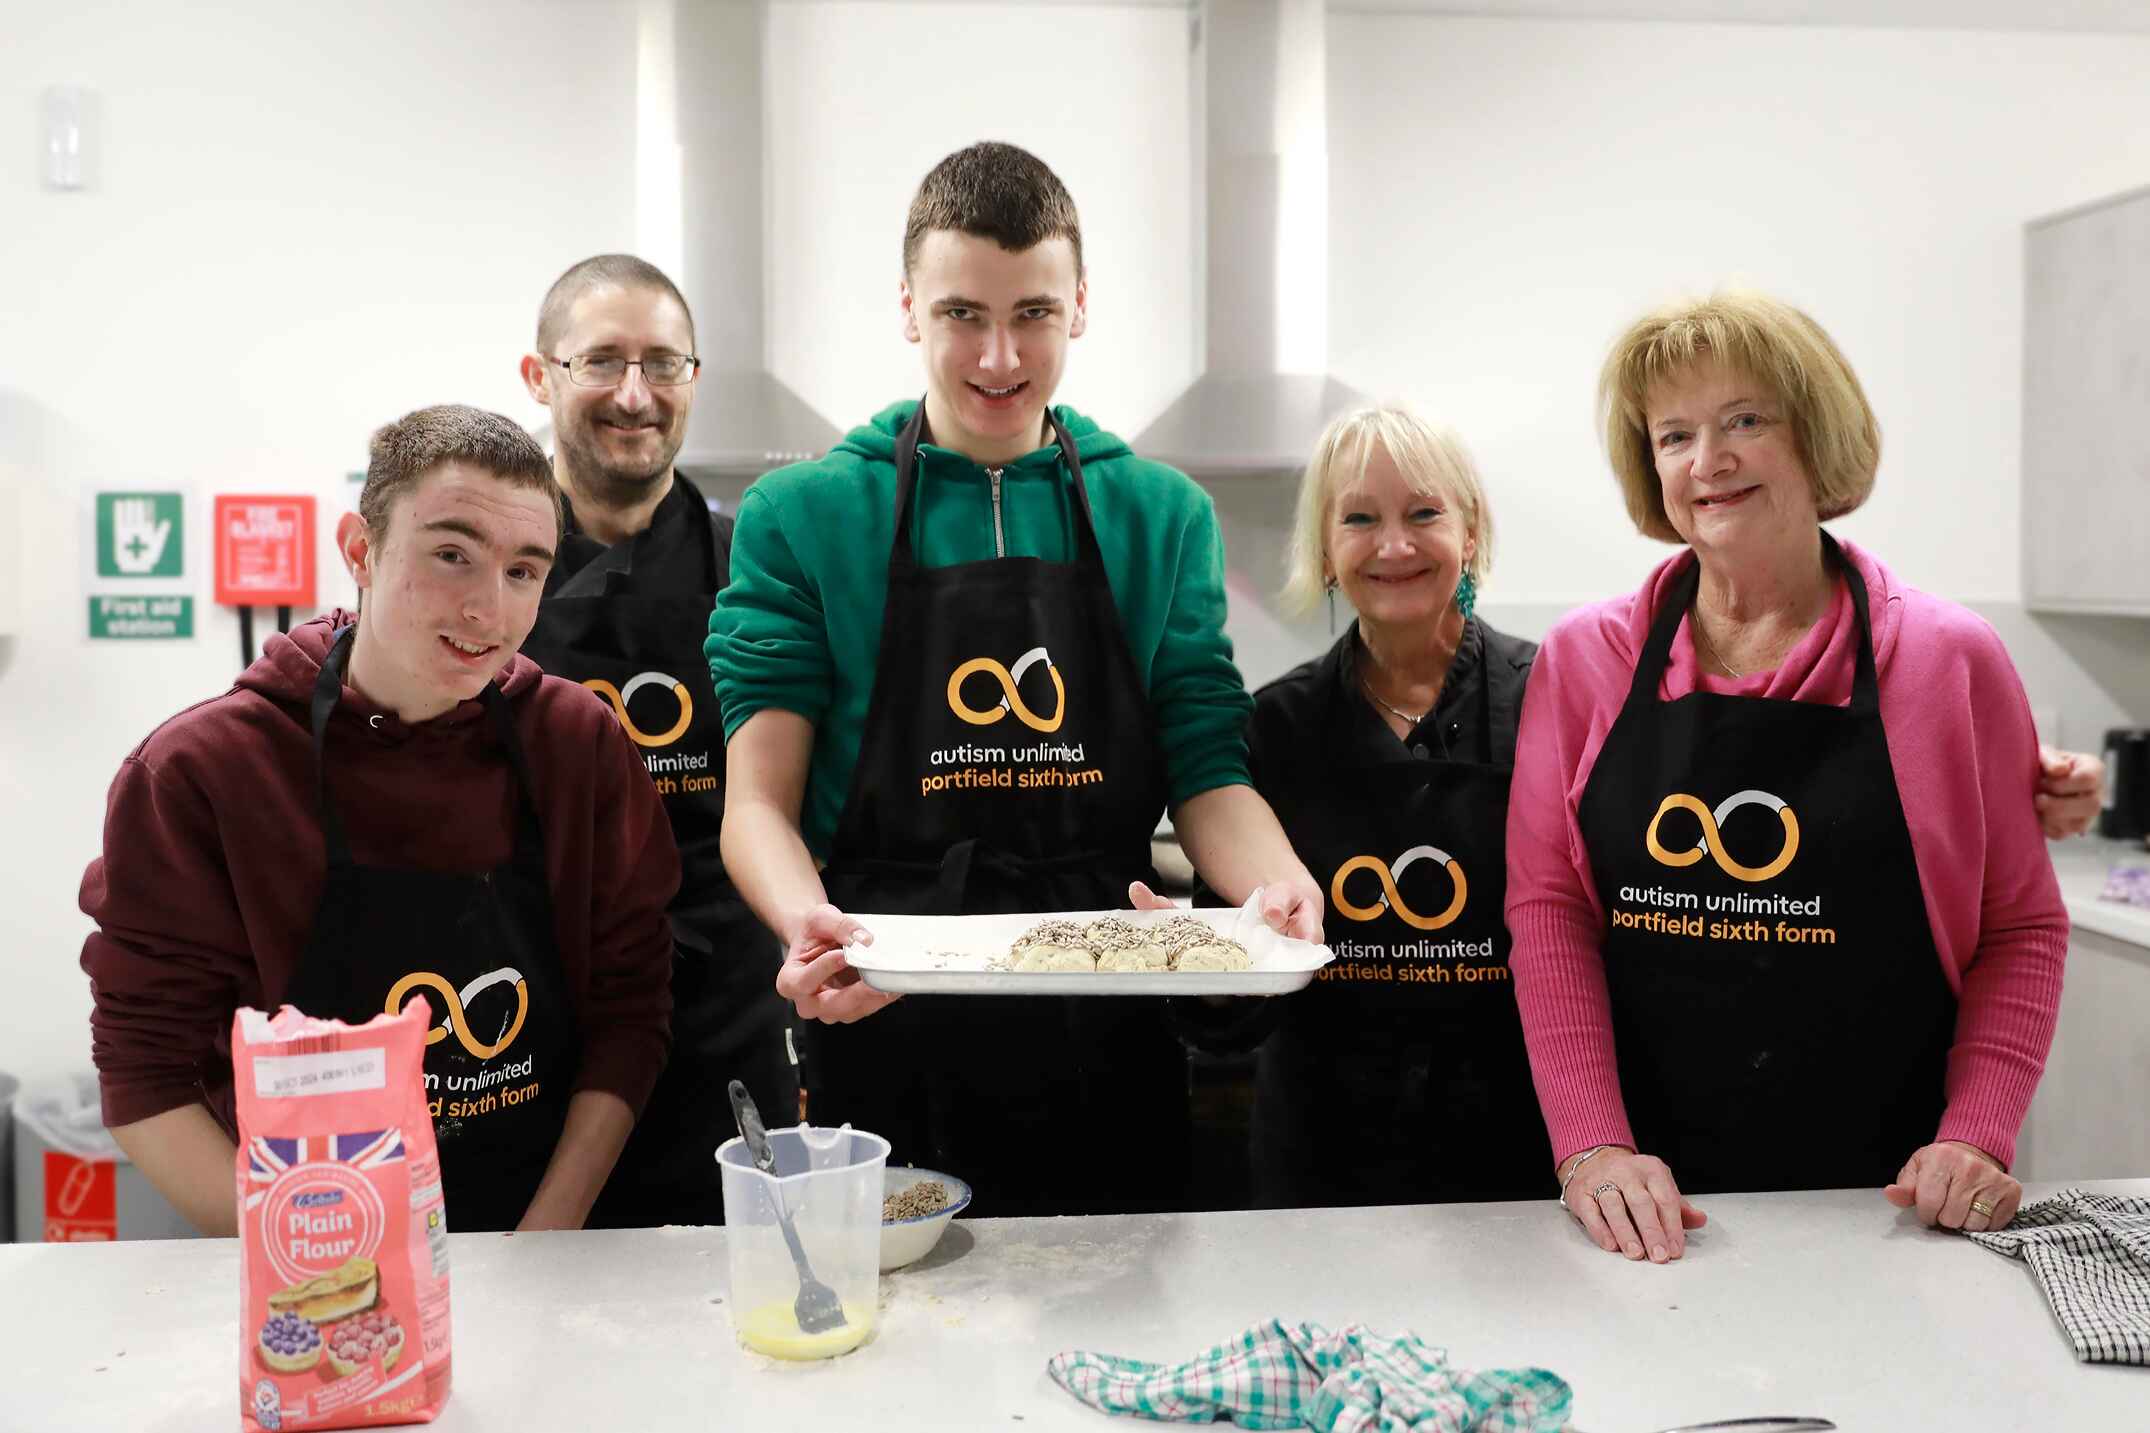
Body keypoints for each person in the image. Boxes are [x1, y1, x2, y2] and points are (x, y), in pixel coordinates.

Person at [708, 140, 1321, 1216]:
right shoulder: (804, 518)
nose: (998, 355)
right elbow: (758, 800)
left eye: (1032, 312)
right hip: (885, 998)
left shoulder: (1157, 512)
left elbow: (1206, 764)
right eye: (960, 314)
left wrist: (1269, 887)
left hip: (1101, 1002)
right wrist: (806, 920)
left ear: (1079, 307)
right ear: (907, 310)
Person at [1505, 291, 2069, 1263]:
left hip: (1892, 1206)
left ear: (1814, 435)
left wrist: (1972, 1132)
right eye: (1671, 434)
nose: (1704, 461)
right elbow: (1549, 908)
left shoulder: (1945, 658)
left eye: (1742, 421)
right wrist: (1590, 1146)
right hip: (1642, 1214)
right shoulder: (1584, 657)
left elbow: (2019, 924)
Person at [80, 405, 679, 1235]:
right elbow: (147, 1074)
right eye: (451, 556)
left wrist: (545, 1239)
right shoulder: (201, 773)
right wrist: (323, 1261)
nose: (487, 611)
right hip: (303, 1260)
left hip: (540, 1243)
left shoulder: (576, 745)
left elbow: (630, 1006)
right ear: (360, 550)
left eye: (523, 572)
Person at [1201, 406, 1550, 1207]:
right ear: (1326, 548)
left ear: (1470, 535)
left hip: (1512, 1151)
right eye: (1360, 517)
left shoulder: (1548, 699)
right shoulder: (1275, 727)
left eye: (1423, 512)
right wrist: (1201, 957)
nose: (1393, 544)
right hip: (1324, 1156)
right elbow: (1230, 1010)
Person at [518, 254, 796, 1228]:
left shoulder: (756, 572)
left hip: (725, 1022)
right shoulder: (486, 575)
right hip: (529, 1033)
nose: (634, 394)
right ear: (536, 376)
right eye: (601, 361)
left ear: (692, 381)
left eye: (662, 364)